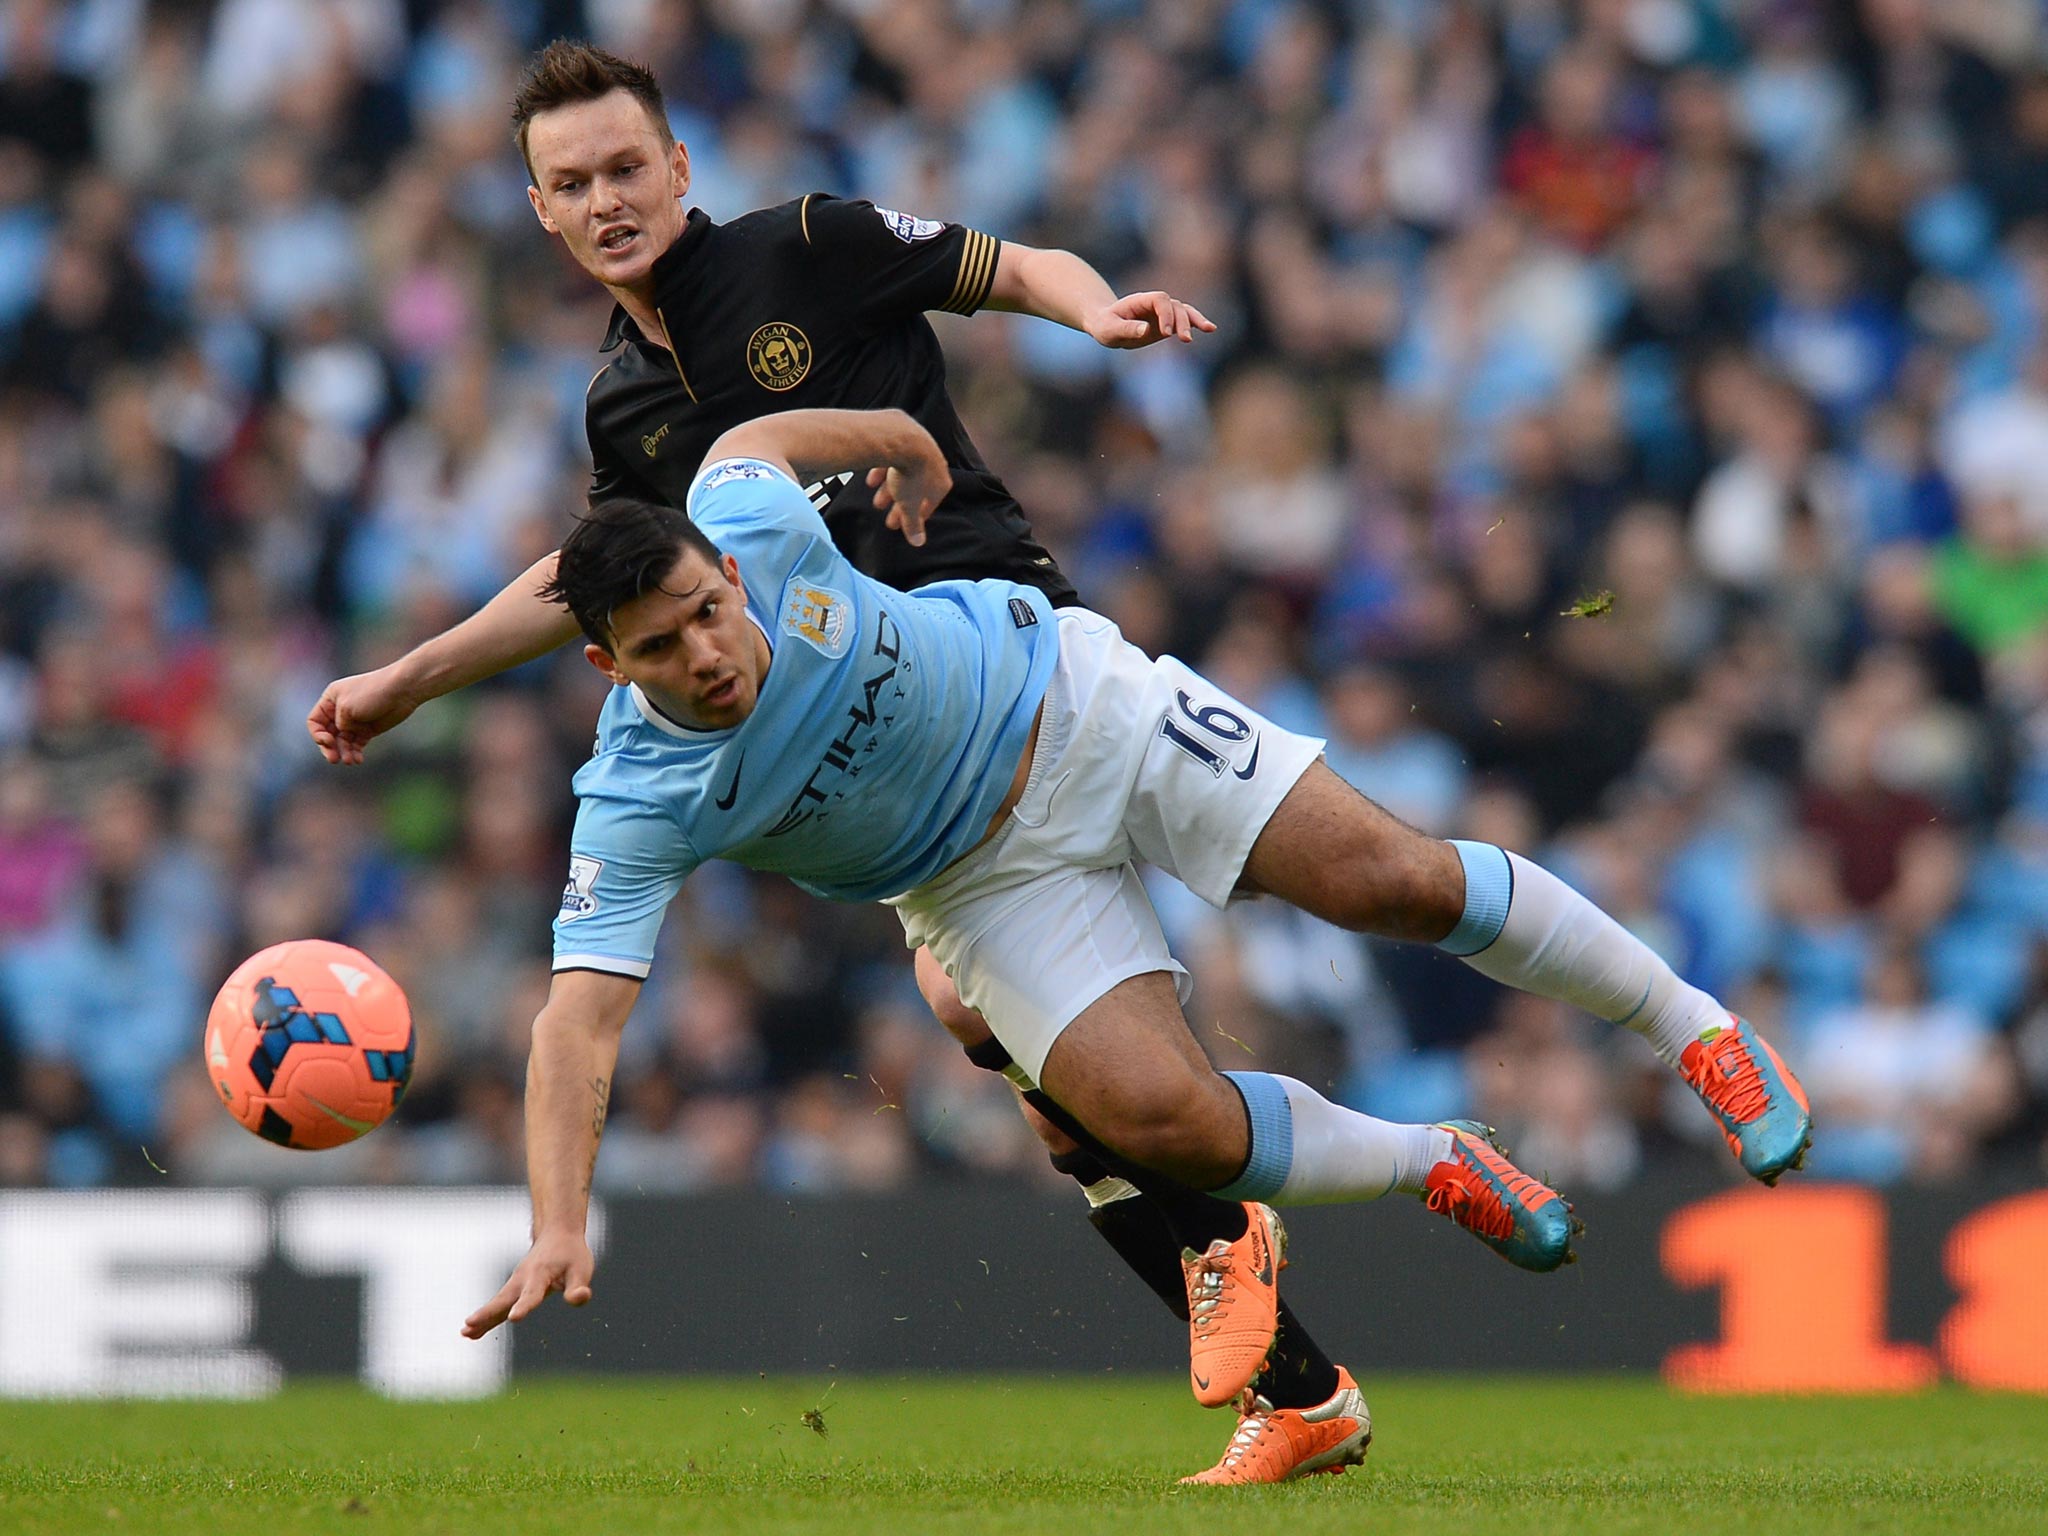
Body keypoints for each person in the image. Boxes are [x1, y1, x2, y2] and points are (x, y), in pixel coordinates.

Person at [307, 40, 1368, 1483]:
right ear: (541, 209)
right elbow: (596, 576)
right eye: (575, 183)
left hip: (1002, 637)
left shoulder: (804, 245)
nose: (608, 197)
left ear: (678, 168)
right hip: (877, 724)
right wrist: (410, 678)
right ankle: (1286, 1366)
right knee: (999, 1043)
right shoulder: (623, 410)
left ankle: (1265, 1260)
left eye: (628, 167)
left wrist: (1092, 312)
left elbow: (998, 262)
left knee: (986, 1000)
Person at [451, 406, 1811, 1436]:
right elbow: (578, 1025)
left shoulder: (747, 513)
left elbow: (777, 432)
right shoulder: (633, 800)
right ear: (604, 666)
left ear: (727, 576)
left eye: (704, 613)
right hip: (985, 885)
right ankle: (1431, 1159)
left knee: (1396, 883)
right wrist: (561, 1223)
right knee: (1175, 1130)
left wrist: (910, 450)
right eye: (660, 651)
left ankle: (1699, 1033)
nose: (704, 654)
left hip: (1081, 707)